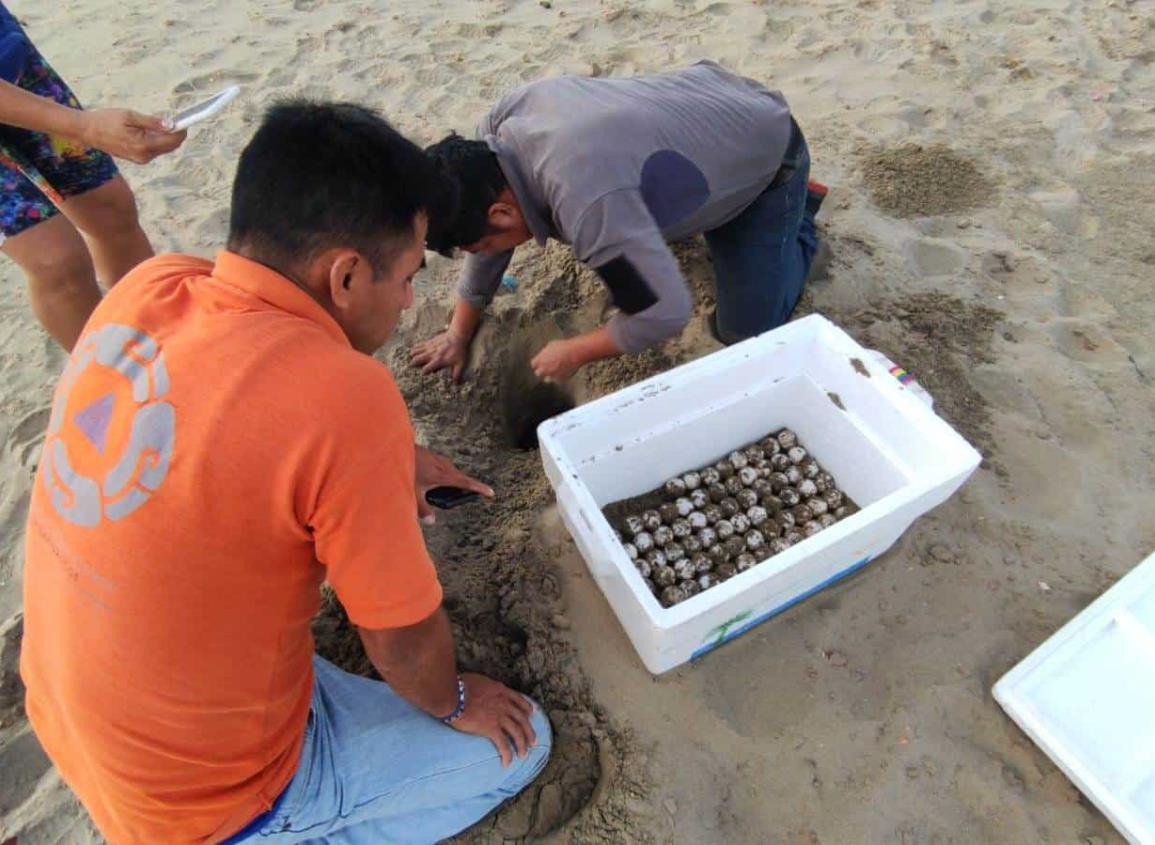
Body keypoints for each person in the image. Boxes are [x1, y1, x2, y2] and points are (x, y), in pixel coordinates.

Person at [21, 101, 550, 845]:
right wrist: (456, 697)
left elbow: (217, 415)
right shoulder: (346, 394)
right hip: (201, 799)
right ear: (343, 276)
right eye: (405, 276)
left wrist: (384, 460)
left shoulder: (152, 286)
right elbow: (399, 641)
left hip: (78, 719)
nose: (407, 301)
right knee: (524, 747)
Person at [411, 60, 827, 385]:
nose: (485, 254)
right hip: (713, 100)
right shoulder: (495, 135)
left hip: (767, 151)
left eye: (479, 246)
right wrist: (458, 334)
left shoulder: (586, 204)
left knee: (744, 330)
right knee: (626, 226)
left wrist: (576, 351)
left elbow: (664, 312)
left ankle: (799, 215)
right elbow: (489, 242)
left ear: (501, 213)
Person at [0, 2, 185, 350]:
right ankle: (110, 384)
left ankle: (164, 352)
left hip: (9, 59)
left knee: (110, 208)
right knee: (56, 260)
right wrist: (85, 127)